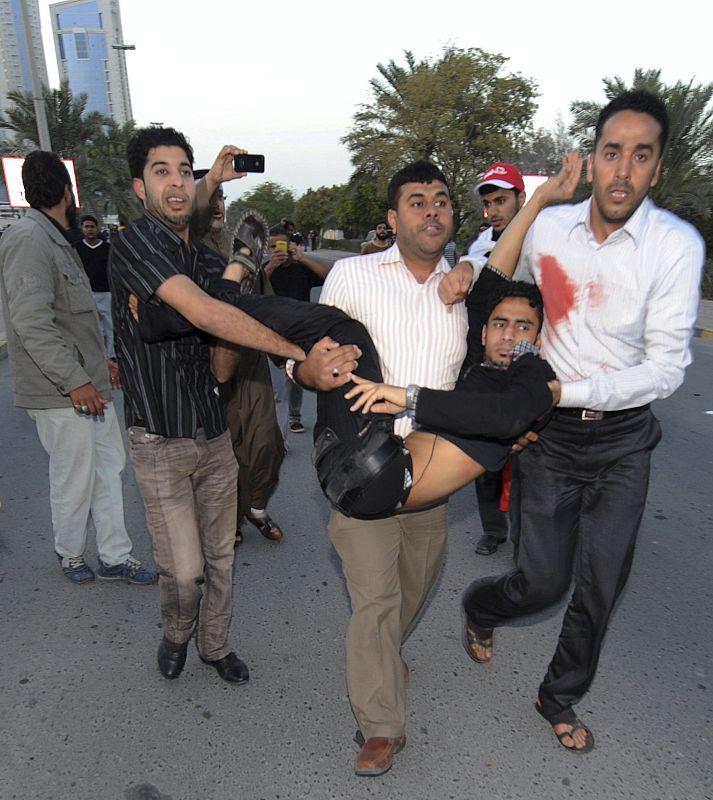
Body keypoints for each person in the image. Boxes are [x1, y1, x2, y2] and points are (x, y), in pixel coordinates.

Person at [455, 91, 705, 753]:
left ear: (656, 169)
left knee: (600, 586)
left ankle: (556, 694)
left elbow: (665, 367)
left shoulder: (674, 246)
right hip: (549, 439)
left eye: (640, 155)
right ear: (590, 160)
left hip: (624, 441)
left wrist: (564, 387)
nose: (622, 170)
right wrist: (534, 203)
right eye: (611, 151)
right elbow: (494, 276)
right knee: (539, 581)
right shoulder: (548, 231)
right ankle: (481, 608)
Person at [108, 127, 305, 683]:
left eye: (184, 171)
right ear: (139, 187)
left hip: (213, 433)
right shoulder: (135, 244)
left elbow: (222, 348)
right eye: (161, 171)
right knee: (186, 569)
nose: (175, 183)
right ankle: (177, 632)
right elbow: (213, 313)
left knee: (221, 557)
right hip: (160, 438)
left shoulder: (196, 255)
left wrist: (216, 182)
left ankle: (214, 645)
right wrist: (294, 353)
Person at [0, 151, 157, 586]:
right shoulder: (29, 240)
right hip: (63, 392)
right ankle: (70, 554)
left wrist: (100, 362)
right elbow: (32, 323)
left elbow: (73, 318)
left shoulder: (54, 237)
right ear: (69, 192)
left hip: (89, 384)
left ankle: (114, 555)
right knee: (75, 475)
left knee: (109, 466)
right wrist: (75, 382)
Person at [194, 177, 285, 544]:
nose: (218, 206)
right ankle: (228, 519)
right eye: (211, 199)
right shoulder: (188, 251)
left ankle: (256, 507)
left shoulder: (243, 245)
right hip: (212, 364)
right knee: (226, 448)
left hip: (252, 363)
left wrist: (291, 355)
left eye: (222, 199)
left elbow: (269, 306)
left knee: (266, 443)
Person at [462, 162, 527, 557]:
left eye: (502, 200)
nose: (495, 210)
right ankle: (493, 530)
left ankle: (527, 536)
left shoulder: (542, 241)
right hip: (487, 367)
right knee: (485, 456)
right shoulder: (481, 245)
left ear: (521, 199)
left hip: (528, 364)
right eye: (489, 203)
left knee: (527, 457)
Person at [265, 224, 330, 436]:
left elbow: (330, 276)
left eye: (282, 245)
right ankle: (280, 438)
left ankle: (294, 417)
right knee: (279, 390)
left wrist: (302, 257)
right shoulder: (266, 270)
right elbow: (251, 287)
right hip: (271, 335)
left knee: (295, 381)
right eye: (273, 246)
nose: (278, 250)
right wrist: (271, 267)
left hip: (300, 335)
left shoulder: (302, 268)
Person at [75, 214, 115, 359]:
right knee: (93, 327)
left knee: (110, 326)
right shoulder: (77, 248)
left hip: (106, 292)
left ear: (97, 228)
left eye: (92, 226)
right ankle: (97, 355)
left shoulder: (107, 248)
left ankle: (111, 355)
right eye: (87, 227)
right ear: (82, 229)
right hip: (87, 293)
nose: (90, 229)